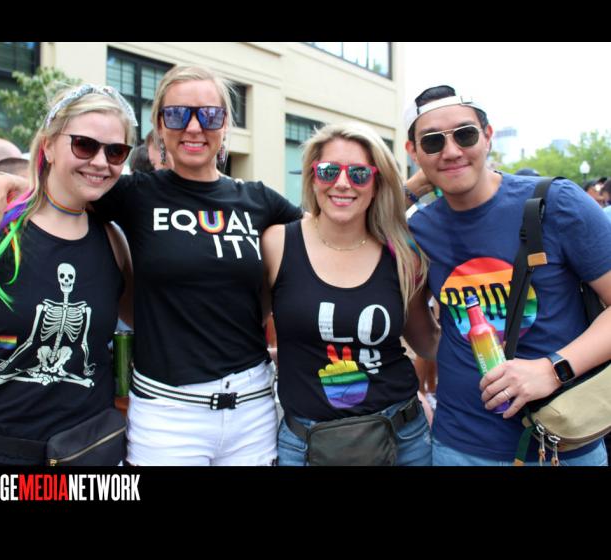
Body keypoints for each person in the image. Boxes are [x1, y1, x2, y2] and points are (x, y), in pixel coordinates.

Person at [404, 85, 611, 466]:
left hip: (562, 443)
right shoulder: (421, 230)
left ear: (488, 136)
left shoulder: (556, 202)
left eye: (465, 135)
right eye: (432, 142)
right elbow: (357, 223)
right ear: (413, 152)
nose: (451, 151)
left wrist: (553, 369)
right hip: (459, 447)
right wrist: (415, 186)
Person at [261, 122, 439, 466]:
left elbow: (427, 341)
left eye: (359, 174)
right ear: (313, 178)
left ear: (376, 184)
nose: (342, 183)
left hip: (402, 439)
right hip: (305, 445)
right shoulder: (277, 244)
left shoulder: (403, 253)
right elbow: (247, 325)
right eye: (329, 171)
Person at [0, 84, 135, 465]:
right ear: (47, 146)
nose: (100, 162)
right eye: (84, 145)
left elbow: (149, 322)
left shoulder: (113, 242)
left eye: (115, 151)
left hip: (86, 458)